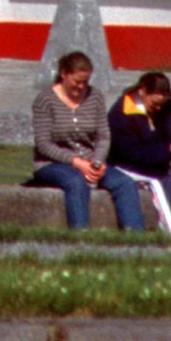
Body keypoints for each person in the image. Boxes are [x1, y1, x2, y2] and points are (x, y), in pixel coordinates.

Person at [29, 50, 142, 230]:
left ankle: (135, 236)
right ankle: (81, 234)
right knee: (75, 181)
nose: (81, 86)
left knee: (124, 183)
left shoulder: (94, 97)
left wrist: (97, 162)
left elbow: (103, 136)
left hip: (90, 161)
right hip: (53, 163)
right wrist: (77, 163)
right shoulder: (45, 101)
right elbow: (44, 144)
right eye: (77, 81)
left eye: (85, 82)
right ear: (64, 74)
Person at [107, 70, 171, 234]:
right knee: (161, 180)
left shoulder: (167, 104)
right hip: (128, 163)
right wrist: (169, 149)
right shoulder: (121, 113)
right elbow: (131, 153)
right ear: (142, 91)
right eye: (154, 104)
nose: (159, 108)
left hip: (160, 158)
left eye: (163, 103)